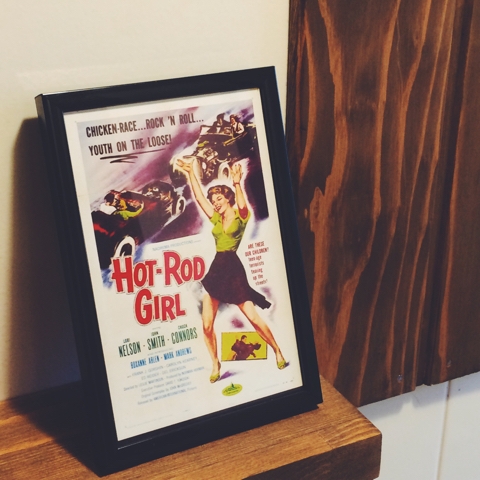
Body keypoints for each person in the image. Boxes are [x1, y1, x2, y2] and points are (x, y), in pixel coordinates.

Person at [176, 158, 286, 383]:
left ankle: (277, 351)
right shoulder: (216, 218)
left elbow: (243, 206)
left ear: (228, 198)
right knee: (207, 325)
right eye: (213, 200)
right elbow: (199, 198)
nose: (215, 203)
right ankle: (215, 363)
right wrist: (190, 174)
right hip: (216, 271)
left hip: (234, 272)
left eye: (218, 199)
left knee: (253, 318)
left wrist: (237, 182)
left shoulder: (241, 216)